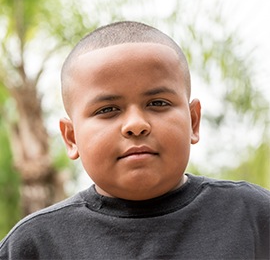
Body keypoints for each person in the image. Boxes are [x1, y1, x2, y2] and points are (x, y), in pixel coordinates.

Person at [0, 21, 269, 260]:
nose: (136, 125)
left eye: (158, 103)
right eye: (107, 110)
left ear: (193, 121)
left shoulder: (254, 216)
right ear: (71, 138)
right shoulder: (34, 244)